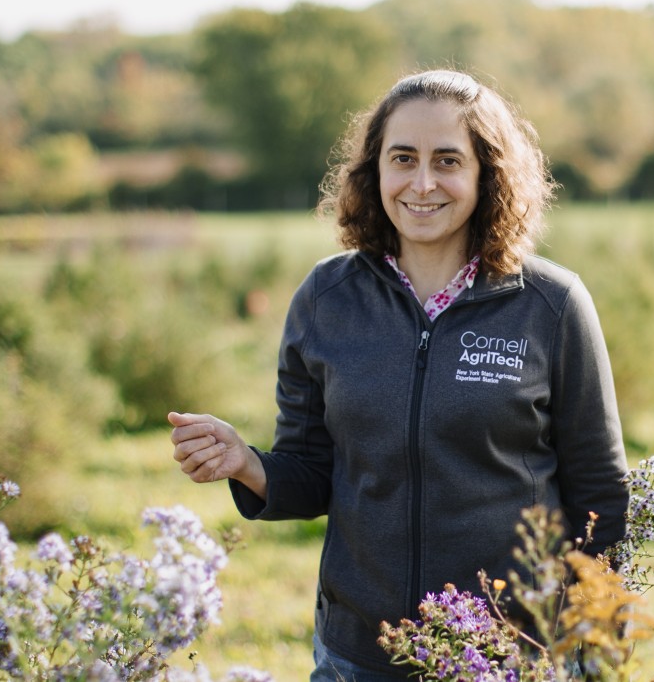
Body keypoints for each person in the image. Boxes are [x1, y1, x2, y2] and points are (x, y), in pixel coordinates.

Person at [168, 70, 628, 680]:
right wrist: (245, 463)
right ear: (375, 171)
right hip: (360, 653)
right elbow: (311, 473)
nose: (422, 183)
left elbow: (600, 495)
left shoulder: (551, 305)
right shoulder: (327, 298)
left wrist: (598, 645)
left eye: (448, 161)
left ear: (487, 175)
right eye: (403, 158)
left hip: (511, 655)